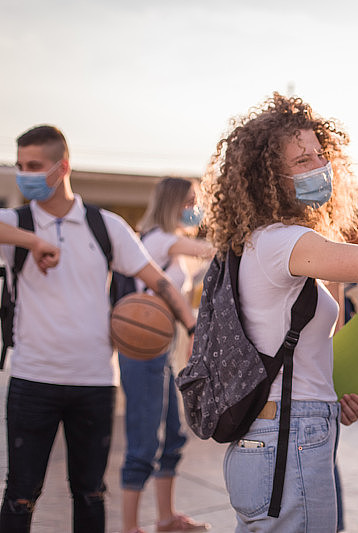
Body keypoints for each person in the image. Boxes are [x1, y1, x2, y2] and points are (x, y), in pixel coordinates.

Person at [201, 93, 358, 532]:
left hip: (273, 435)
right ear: (268, 175)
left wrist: (332, 398)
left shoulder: (254, 245)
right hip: (288, 438)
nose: (318, 166)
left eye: (320, 154)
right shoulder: (284, 241)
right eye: (301, 160)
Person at [0, 125, 197, 533]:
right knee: (20, 497)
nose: (25, 174)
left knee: (90, 494)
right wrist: (32, 243)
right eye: (20, 166)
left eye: (34, 166)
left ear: (62, 167)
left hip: (94, 382)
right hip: (32, 378)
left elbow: (157, 281)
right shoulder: (14, 223)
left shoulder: (104, 225)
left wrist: (191, 325)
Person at [119, 177, 215, 533]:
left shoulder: (172, 244)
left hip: (162, 352)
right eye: (191, 201)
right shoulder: (159, 240)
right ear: (173, 202)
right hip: (141, 354)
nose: (195, 208)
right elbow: (213, 250)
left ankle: (165, 518)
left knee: (173, 435)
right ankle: (130, 527)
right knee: (144, 441)